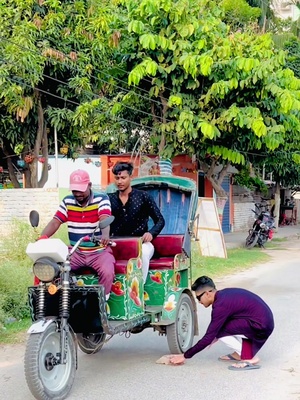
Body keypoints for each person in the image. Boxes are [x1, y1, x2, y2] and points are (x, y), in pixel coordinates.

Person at [39, 169, 115, 300]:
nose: (77, 194)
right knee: (54, 269)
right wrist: (42, 238)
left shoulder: (102, 198)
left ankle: (101, 303)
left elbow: (104, 218)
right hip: (76, 252)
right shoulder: (68, 201)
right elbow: (56, 221)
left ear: (90, 185)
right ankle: (57, 303)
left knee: (107, 271)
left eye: (81, 190)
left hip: (98, 251)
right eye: (74, 190)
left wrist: (105, 235)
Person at [170, 276, 274, 370]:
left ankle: (249, 357)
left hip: (261, 326)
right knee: (224, 328)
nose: (199, 302)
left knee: (220, 332)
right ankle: (240, 353)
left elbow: (209, 336)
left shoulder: (220, 305)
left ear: (207, 293)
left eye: (198, 298)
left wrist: (184, 356)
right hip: (262, 322)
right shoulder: (223, 295)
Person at [108, 161, 165, 282]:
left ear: (130, 177)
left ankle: (139, 287)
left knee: (143, 253)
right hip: (116, 244)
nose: (119, 181)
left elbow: (160, 220)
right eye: (117, 178)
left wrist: (151, 233)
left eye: (123, 178)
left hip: (141, 243)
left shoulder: (143, 196)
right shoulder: (109, 198)